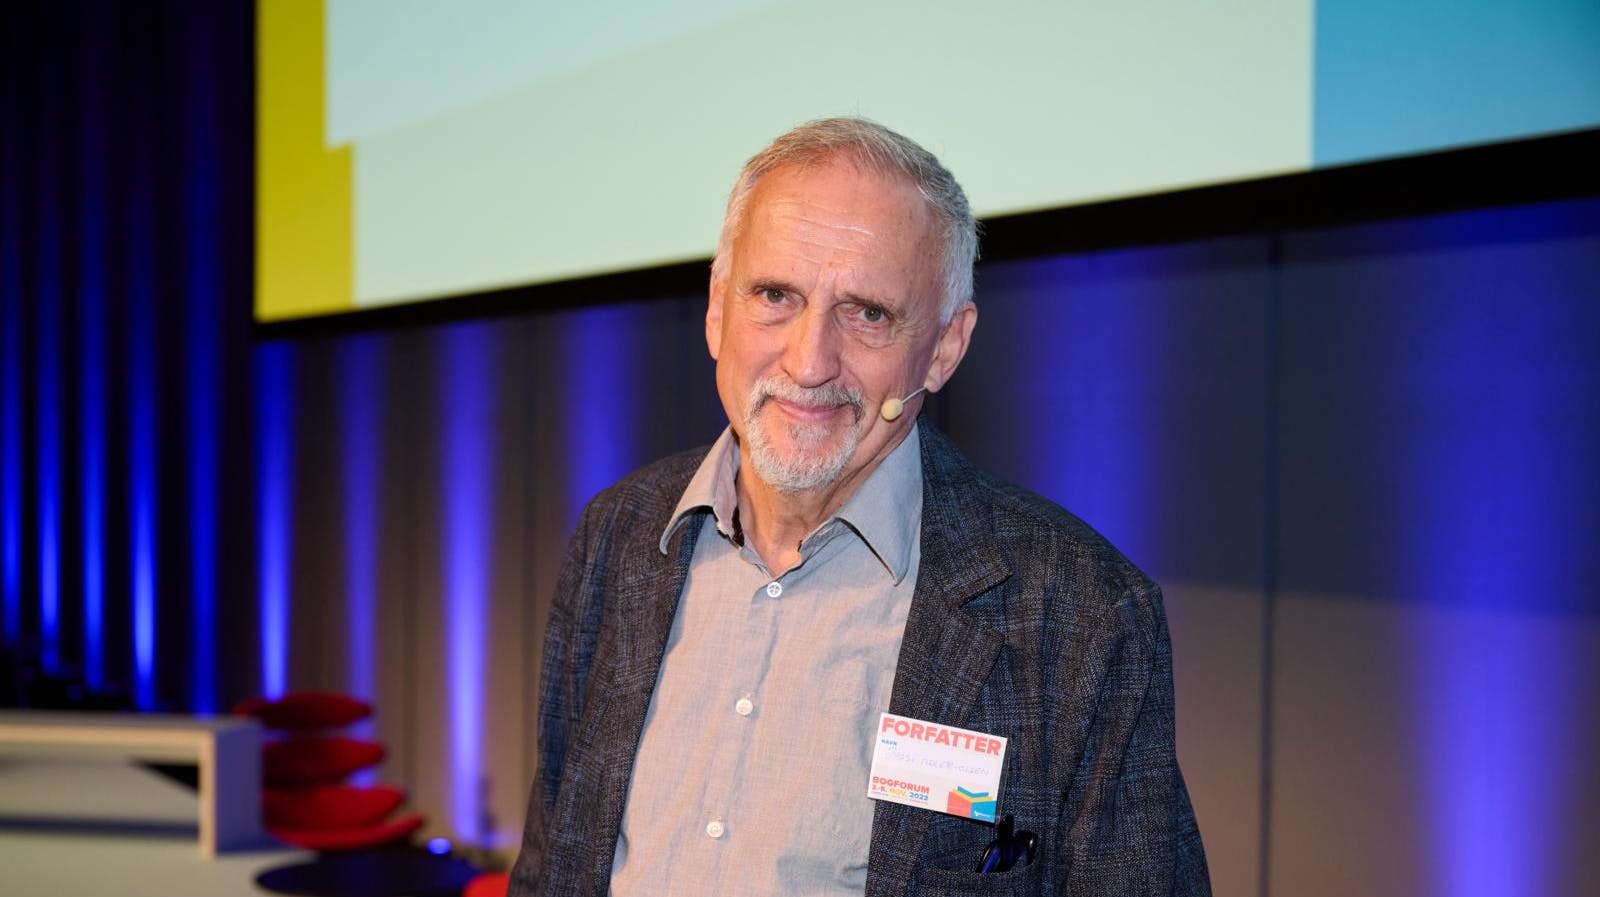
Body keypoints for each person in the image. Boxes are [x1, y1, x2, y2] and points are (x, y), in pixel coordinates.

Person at [508, 117, 1209, 897]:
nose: (809, 361)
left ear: (944, 346)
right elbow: (551, 862)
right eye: (775, 295)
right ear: (716, 308)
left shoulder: (1084, 612)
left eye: (867, 313)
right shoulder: (619, 535)